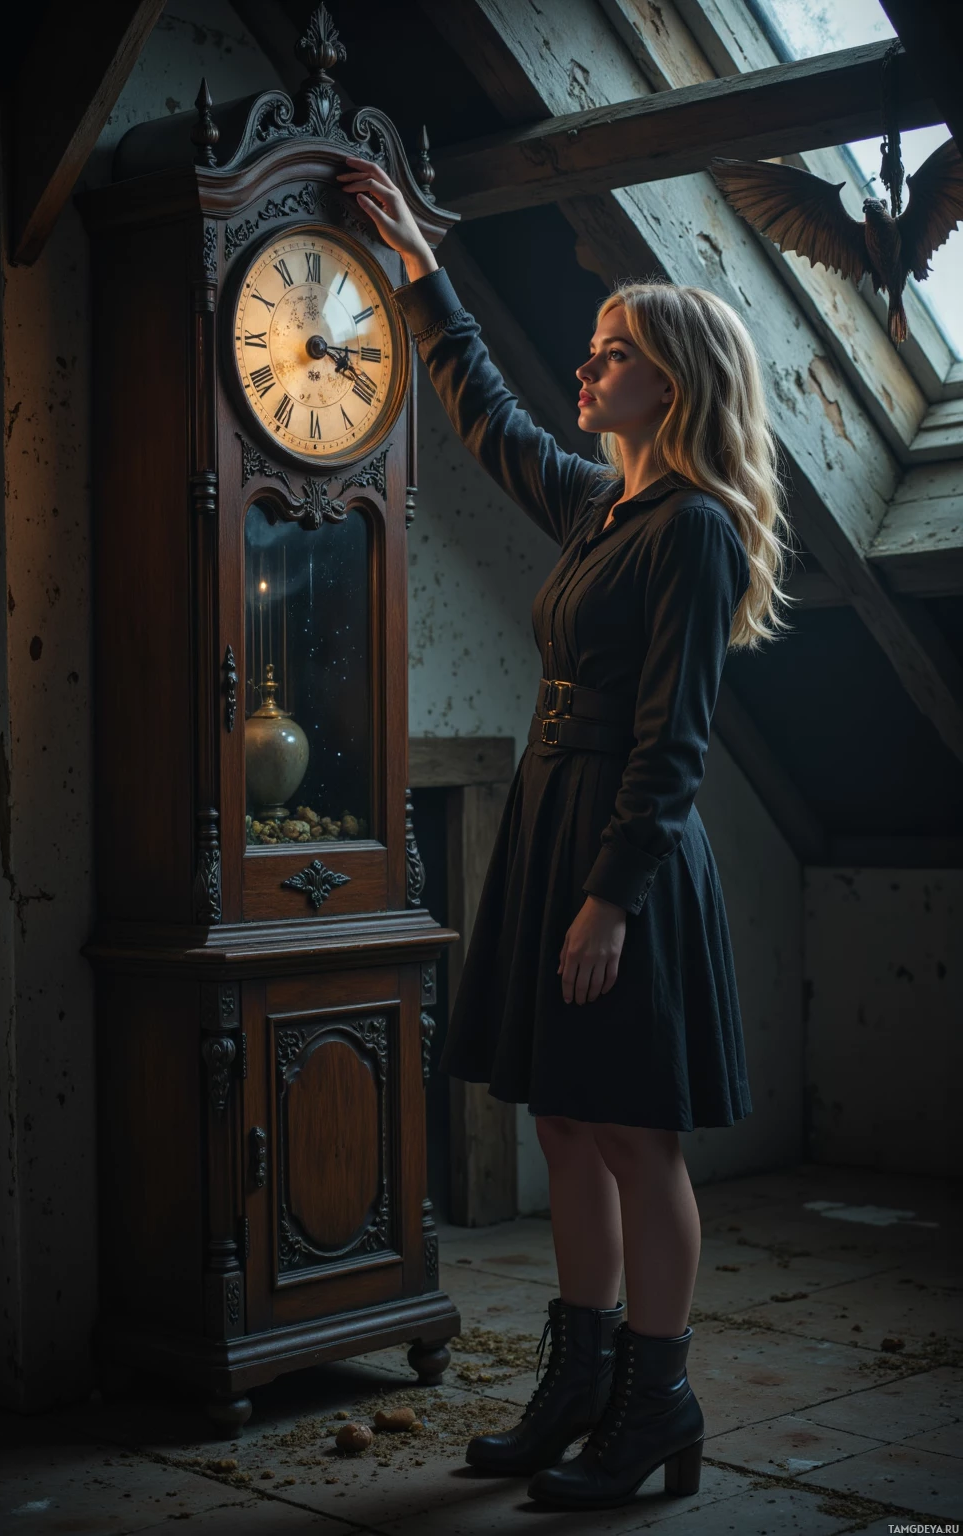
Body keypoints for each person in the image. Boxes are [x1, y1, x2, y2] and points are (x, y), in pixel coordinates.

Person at [338, 154, 795, 1512]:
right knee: (564, 1123)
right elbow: (480, 409)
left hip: (623, 860)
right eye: (593, 354)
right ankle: (582, 1381)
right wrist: (422, 272)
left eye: (613, 357)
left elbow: (676, 744)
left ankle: (658, 1397)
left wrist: (608, 900)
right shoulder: (603, 507)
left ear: (677, 382)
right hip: (557, 831)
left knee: (636, 1135)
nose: (585, 375)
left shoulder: (697, 533)